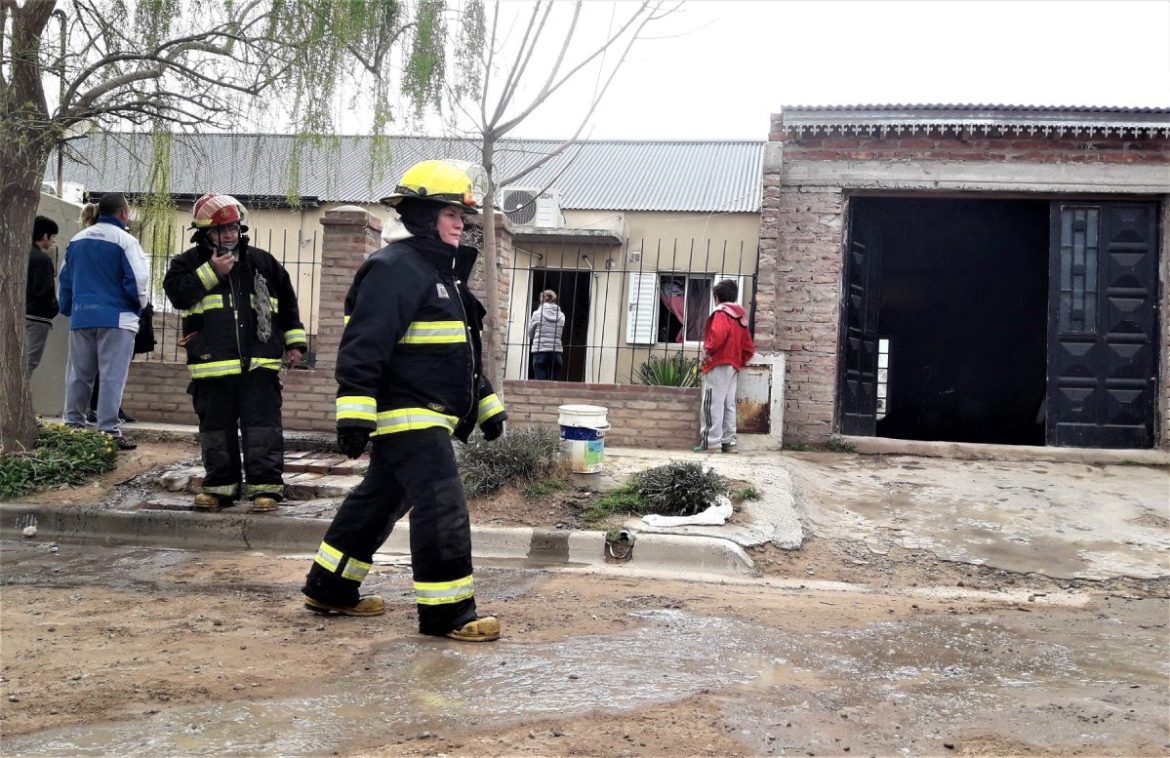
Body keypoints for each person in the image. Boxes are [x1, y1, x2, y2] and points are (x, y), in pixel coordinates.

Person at [302, 159, 507, 643]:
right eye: (451, 214)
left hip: (427, 412)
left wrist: (486, 403)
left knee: (380, 501)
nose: (460, 224)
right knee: (441, 504)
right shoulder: (394, 268)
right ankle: (447, 614)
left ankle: (330, 586)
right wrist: (354, 412)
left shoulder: (440, 275)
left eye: (462, 216)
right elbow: (364, 345)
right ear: (422, 216)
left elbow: (457, 354)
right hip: (409, 413)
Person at [163, 193, 307, 513]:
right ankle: (220, 488)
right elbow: (178, 295)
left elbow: (287, 305)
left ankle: (265, 488)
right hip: (211, 364)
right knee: (216, 430)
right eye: (220, 230)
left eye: (232, 227)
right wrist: (212, 271)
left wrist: (295, 343)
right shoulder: (187, 264)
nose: (229, 234)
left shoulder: (263, 263)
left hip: (259, 363)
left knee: (263, 428)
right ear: (204, 233)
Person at [58, 194, 149, 451]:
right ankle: (109, 430)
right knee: (112, 377)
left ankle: (73, 427)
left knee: (78, 375)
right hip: (117, 318)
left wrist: (69, 308)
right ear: (123, 213)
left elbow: (65, 280)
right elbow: (138, 281)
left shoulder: (77, 240)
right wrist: (139, 306)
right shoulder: (126, 241)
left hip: (82, 316)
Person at [694, 279, 755, 454]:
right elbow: (748, 348)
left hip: (719, 363)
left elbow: (718, 335)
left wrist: (708, 351)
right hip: (733, 365)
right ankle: (729, 442)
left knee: (712, 402)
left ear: (717, 297)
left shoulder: (721, 313)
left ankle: (711, 443)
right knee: (729, 404)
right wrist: (737, 361)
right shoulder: (740, 318)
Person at [25, 216, 59, 375]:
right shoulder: (43, 260)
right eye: (52, 237)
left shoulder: (21, 254)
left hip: (22, 313)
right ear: (45, 236)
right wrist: (53, 308)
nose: (53, 241)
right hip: (37, 317)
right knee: (29, 362)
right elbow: (45, 291)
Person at [527, 289, 565, 380]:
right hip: (556, 352)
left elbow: (530, 333)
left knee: (541, 384)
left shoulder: (537, 314)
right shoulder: (561, 316)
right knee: (554, 385)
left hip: (540, 352)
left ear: (542, 299)